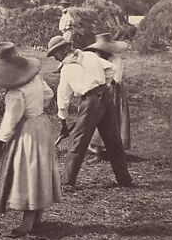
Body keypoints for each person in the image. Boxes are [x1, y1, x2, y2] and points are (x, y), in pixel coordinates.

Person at [0, 42, 62, 237]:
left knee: (27, 172)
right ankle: (37, 216)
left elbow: (8, 125)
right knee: (39, 169)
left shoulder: (15, 94)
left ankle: (27, 223)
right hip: (42, 125)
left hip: (28, 131)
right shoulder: (36, 78)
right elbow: (49, 94)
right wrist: (36, 108)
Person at [47, 34, 133, 189]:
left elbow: (63, 97)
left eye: (55, 54)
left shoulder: (67, 69)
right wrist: (103, 85)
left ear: (64, 49)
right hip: (106, 97)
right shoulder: (90, 56)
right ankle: (124, 179)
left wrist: (63, 121)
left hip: (91, 102)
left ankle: (67, 182)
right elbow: (111, 68)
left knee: (78, 142)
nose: (55, 58)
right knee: (113, 140)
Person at [88, 32, 132, 156]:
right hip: (102, 89)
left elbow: (116, 79)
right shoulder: (99, 60)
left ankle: (110, 148)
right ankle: (97, 148)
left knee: (112, 117)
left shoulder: (116, 60)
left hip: (114, 90)